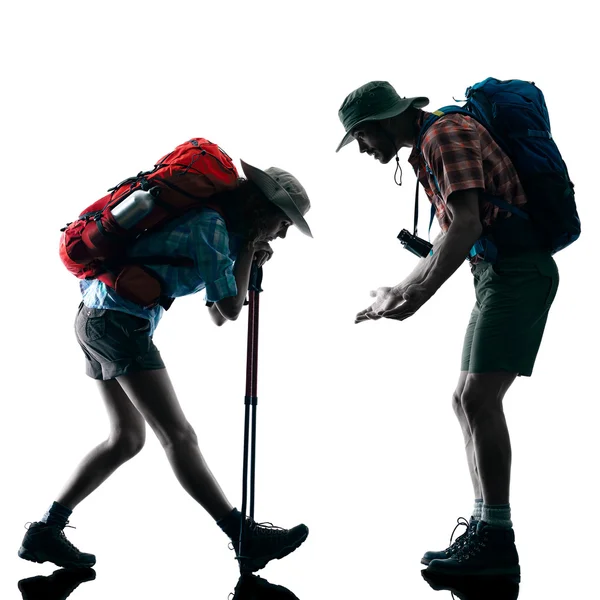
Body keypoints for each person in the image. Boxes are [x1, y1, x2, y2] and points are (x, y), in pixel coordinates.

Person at [18, 158, 312, 574]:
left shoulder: (222, 233)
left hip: (99, 317)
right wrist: (247, 249)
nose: (283, 233)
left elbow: (216, 312)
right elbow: (229, 310)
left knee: (126, 438)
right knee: (178, 435)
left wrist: (247, 255)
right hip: (117, 321)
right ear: (264, 211)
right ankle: (242, 534)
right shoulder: (211, 226)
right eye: (283, 222)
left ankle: (46, 530)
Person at [336, 81, 560, 577]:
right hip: (497, 274)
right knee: (463, 400)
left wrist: (416, 298)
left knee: (480, 399)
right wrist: (398, 287)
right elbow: (450, 232)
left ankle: (498, 541)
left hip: (519, 271)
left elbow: (466, 227)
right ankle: (485, 529)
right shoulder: (426, 146)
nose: (364, 151)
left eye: (361, 139)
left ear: (378, 123)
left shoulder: (443, 136)